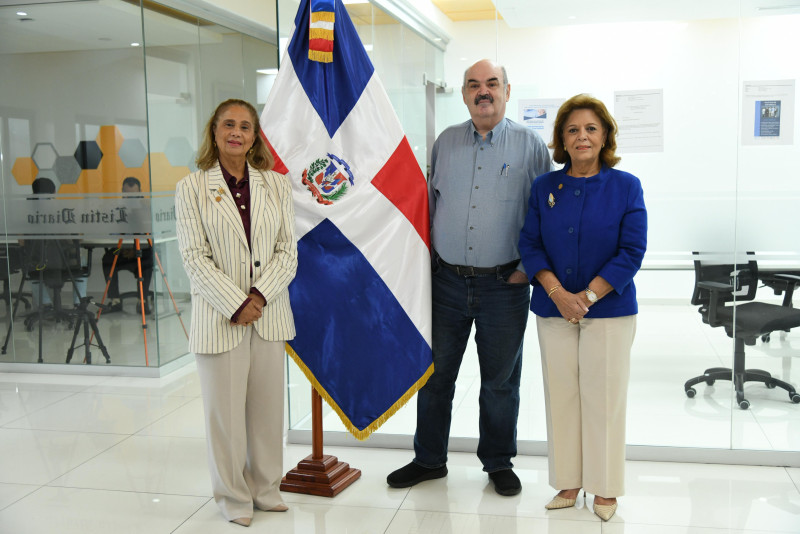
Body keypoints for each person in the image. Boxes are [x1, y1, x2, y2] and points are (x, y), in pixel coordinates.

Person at [387, 59, 552, 496]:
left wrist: (525, 271)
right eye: (474, 85)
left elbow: (546, 215)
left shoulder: (531, 146)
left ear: (507, 91)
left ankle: (498, 462)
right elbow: (429, 208)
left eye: (492, 83)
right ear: (463, 94)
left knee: (500, 382)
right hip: (446, 283)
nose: (483, 91)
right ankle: (428, 459)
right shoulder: (444, 143)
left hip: (505, 286)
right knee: (435, 377)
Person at [517, 94, 647, 521]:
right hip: (553, 309)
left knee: (603, 397)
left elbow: (632, 251)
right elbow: (530, 245)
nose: (582, 136)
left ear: (605, 135)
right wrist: (558, 294)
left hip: (609, 311)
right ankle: (569, 482)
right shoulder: (545, 187)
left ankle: (605, 488)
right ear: (562, 139)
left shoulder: (626, 186)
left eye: (591, 128)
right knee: (561, 395)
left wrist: (587, 297)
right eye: (572, 130)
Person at [175, 99, 297, 527]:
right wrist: (236, 303)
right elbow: (194, 257)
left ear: (254, 136)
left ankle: (265, 490)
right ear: (214, 131)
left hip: (268, 315)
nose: (236, 133)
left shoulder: (276, 185)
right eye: (229, 124)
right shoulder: (191, 188)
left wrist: (258, 298)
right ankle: (233, 498)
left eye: (245, 126)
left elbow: (287, 252)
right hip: (219, 319)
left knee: (267, 412)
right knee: (225, 418)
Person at [101, 177, 154, 314]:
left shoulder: (147, 207)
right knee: (108, 258)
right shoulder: (117, 208)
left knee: (149, 258)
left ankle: (142, 300)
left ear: (140, 192)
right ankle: (115, 300)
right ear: (122, 192)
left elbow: (149, 233)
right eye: (127, 195)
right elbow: (112, 232)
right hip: (120, 249)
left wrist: (139, 210)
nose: (130, 198)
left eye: (133, 195)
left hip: (141, 250)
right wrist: (125, 248)